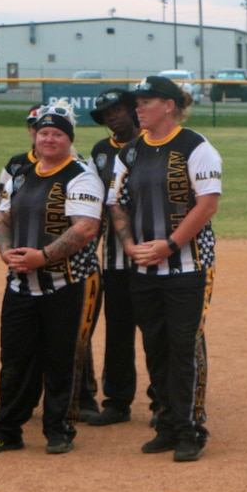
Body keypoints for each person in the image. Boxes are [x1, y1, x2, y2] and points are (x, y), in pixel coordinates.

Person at [0, 106, 104, 455]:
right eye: (44, 132)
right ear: (35, 135)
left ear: (68, 140)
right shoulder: (20, 173)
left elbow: (86, 228)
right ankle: (6, 429)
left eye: (57, 134)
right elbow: (3, 218)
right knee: (14, 358)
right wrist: (6, 251)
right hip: (19, 286)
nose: (49, 138)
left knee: (59, 357)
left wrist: (43, 257)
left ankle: (58, 429)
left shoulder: (81, 176)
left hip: (63, 285)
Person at [110, 74, 222, 462]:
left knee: (184, 347)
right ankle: (167, 422)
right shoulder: (131, 152)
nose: (137, 108)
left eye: (146, 101)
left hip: (189, 269)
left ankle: (191, 428)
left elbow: (207, 204)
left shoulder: (196, 147)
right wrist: (129, 246)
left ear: (169, 105)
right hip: (143, 269)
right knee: (155, 346)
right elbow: (118, 203)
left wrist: (170, 245)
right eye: (137, 102)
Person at [85, 88, 146, 426]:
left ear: (133, 110)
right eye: (106, 113)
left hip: (156, 253)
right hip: (115, 257)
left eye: (118, 109)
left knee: (156, 330)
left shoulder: (153, 144)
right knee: (119, 329)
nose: (112, 117)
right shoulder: (101, 151)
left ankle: (163, 402)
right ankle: (117, 401)